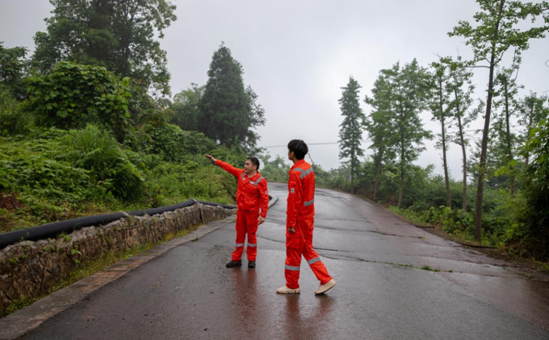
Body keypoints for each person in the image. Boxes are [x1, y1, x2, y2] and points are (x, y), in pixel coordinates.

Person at [277, 139, 336, 295]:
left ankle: (292, 285)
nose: (287, 152)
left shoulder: (296, 172)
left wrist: (291, 222)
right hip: (308, 218)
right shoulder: (307, 168)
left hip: (299, 220)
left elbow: (294, 200)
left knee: (293, 251)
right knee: (306, 249)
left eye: (288, 150)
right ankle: (325, 279)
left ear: (292, 153)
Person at [205, 154, 269, 268]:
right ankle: (236, 259)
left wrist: (263, 214)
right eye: (245, 164)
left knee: (251, 237)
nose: (245, 166)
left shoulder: (261, 181)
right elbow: (229, 167)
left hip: (252, 213)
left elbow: (264, 198)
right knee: (239, 236)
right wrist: (215, 161)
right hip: (241, 211)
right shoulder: (241, 174)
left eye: (247, 164)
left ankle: (252, 260)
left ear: (255, 167)